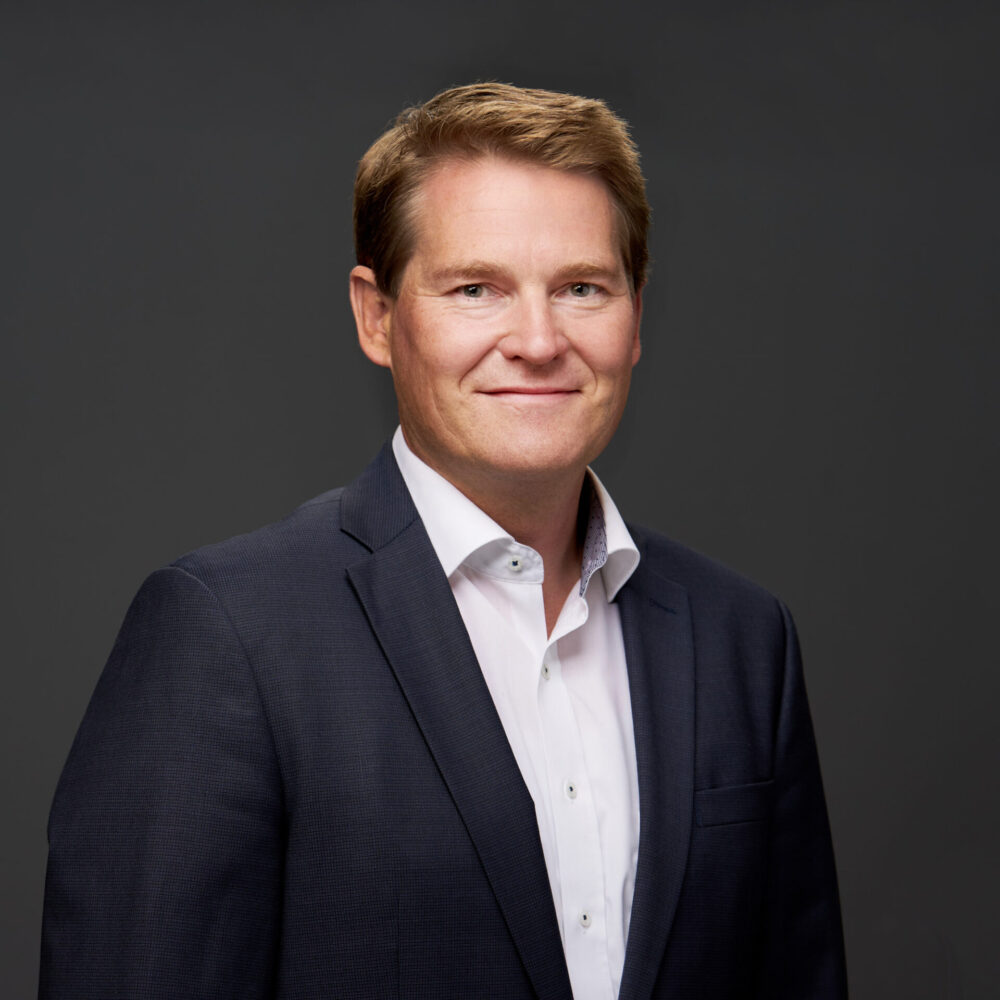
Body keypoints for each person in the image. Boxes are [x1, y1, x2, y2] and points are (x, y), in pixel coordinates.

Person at [40, 83, 847, 999]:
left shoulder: (742, 640)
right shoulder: (229, 637)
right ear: (377, 317)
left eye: (582, 288)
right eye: (476, 289)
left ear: (635, 316)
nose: (538, 341)